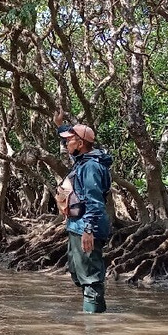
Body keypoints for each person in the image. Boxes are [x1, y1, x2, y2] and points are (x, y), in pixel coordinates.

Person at [54, 112, 113, 314]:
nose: (65, 144)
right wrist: (60, 125)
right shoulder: (81, 158)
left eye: (69, 141)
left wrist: (89, 229)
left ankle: (94, 324)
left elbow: (95, 202)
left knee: (90, 277)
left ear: (79, 143)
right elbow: (67, 138)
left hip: (87, 227)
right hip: (76, 226)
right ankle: (93, 313)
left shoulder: (91, 167)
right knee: (77, 272)